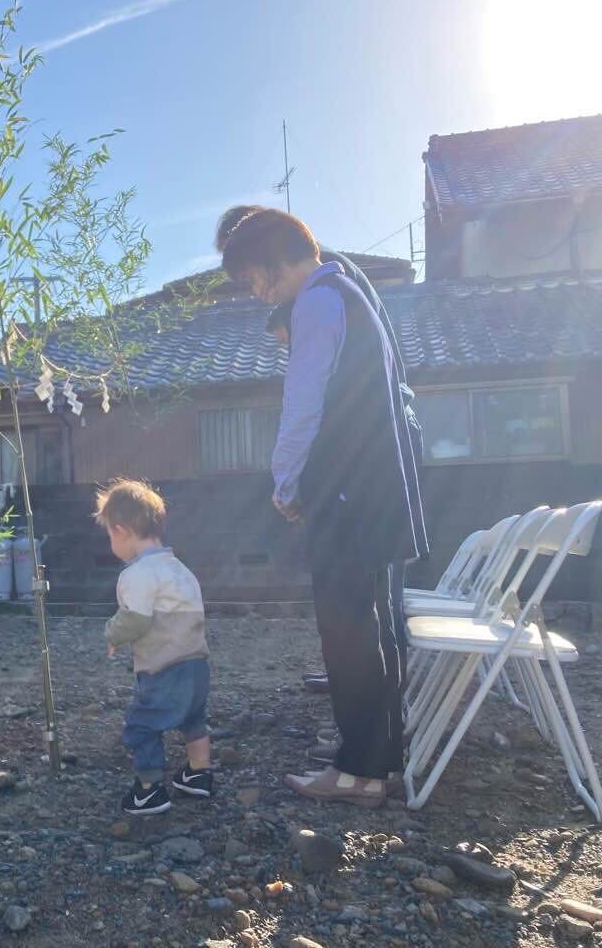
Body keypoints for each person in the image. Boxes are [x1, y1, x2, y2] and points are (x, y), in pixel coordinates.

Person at [221, 211, 424, 808]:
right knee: (372, 626)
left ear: (275, 258)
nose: (258, 292)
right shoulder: (348, 288)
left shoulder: (317, 299)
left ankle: (360, 769)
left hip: (350, 490)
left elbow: (303, 402)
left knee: (347, 625)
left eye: (255, 278)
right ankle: (375, 760)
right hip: (375, 487)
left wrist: (285, 481)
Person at [97, 479, 211, 816]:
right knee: (194, 719)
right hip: (198, 665)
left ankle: (149, 790)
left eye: (110, 536)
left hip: (164, 669)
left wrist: (112, 634)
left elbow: (135, 619)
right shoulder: (182, 570)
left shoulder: (138, 574)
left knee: (142, 724)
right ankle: (198, 774)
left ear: (122, 531)